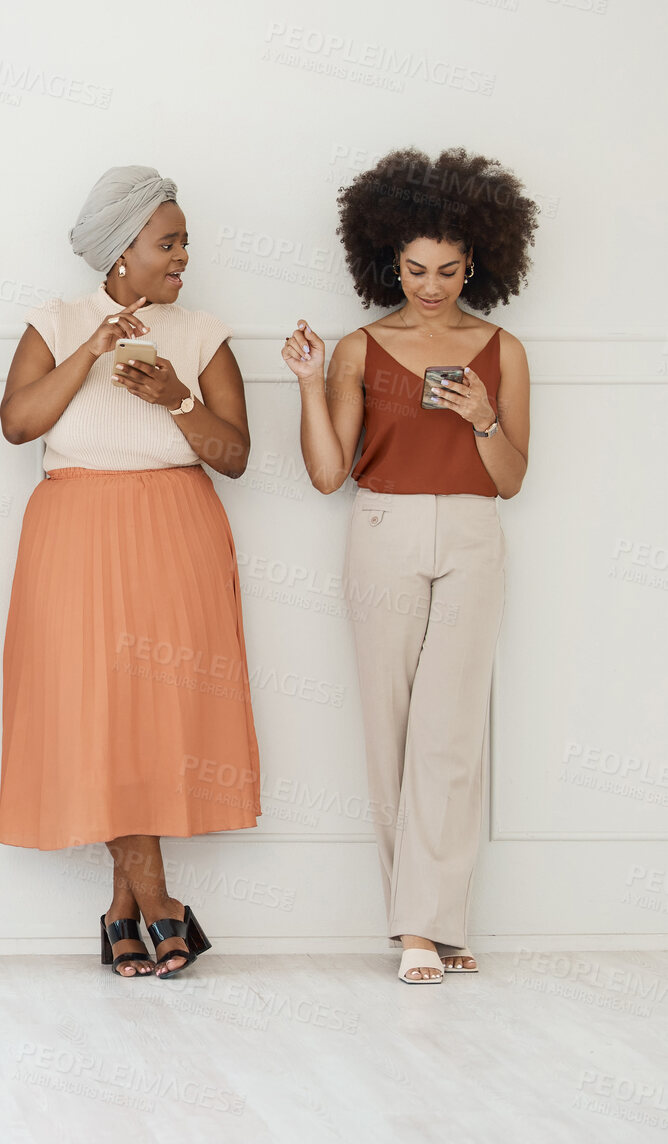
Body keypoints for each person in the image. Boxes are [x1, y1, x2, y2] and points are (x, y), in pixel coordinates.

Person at [0, 166, 260, 979]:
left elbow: (237, 456)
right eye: (167, 242)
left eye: (183, 241)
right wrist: (91, 350)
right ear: (120, 251)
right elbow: (16, 424)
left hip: (175, 532)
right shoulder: (56, 320)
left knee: (151, 718)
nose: (184, 255)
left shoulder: (204, 331)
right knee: (91, 712)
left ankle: (121, 909)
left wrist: (178, 399)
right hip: (74, 531)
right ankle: (162, 907)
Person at [282, 147, 536, 984]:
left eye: (450, 270)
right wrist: (310, 385)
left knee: (451, 735)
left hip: (471, 531)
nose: (431, 286)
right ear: (388, 259)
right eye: (416, 269)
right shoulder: (359, 348)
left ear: (478, 264)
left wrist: (483, 417)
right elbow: (327, 475)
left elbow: (510, 479)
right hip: (383, 524)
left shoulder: (503, 350)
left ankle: (430, 922)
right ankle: (423, 927)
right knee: (390, 727)